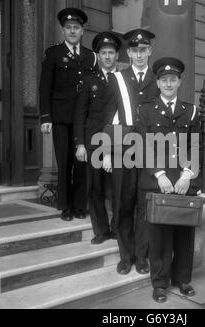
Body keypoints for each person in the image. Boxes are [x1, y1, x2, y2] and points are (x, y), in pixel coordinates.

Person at [135, 57, 203, 303]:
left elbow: (196, 147)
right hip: (157, 182)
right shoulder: (146, 110)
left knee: (184, 233)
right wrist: (160, 174)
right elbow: (141, 146)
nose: (169, 84)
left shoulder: (191, 111)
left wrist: (187, 175)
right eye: (164, 80)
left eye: (173, 80)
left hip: (184, 182)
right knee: (159, 235)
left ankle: (183, 279)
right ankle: (160, 283)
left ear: (179, 82)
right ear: (158, 82)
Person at [102, 29, 160, 275]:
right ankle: (125, 256)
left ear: (150, 51)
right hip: (122, 150)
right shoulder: (117, 78)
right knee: (123, 202)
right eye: (134, 50)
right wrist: (106, 151)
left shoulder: (159, 79)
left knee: (145, 204)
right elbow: (108, 115)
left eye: (143, 50)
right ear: (128, 52)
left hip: (149, 151)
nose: (139, 54)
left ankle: (141, 255)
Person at [39, 8, 97, 221]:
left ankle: (80, 205)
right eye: (69, 27)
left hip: (83, 120)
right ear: (63, 30)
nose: (73, 31)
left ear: (82, 31)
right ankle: (65, 206)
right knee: (64, 162)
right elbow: (45, 87)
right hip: (61, 118)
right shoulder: (53, 54)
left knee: (81, 162)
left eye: (76, 28)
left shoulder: (90, 56)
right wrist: (46, 117)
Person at [74, 32, 122, 244]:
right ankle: (101, 231)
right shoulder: (88, 80)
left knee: (117, 189)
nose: (108, 56)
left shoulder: (122, 80)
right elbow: (80, 113)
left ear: (117, 55)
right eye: (103, 53)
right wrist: (80, 143)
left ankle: (117, 228)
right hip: (93, 142)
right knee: (95, 189)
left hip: (117, 141)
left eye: (111, 52)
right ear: (98, 55)